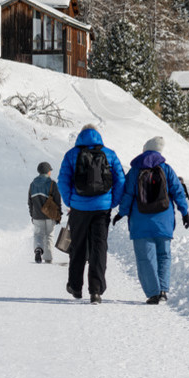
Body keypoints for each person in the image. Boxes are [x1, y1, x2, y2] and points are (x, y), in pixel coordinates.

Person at [113, 136, 189, 305]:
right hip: (164, 220)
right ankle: (163, 290)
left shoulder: (135, 171)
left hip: (140, 222)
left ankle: (153, 293)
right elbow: (178, 191)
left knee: (145, 258)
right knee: (164, 256)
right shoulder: (167, 169)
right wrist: (185, 212)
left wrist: (121, 213)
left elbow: (127, 195)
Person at [58, 124, 126, 304]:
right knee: (99, 247)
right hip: (101, 209)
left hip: (79, 209)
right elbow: (120, 180)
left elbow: (62, 181)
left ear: (80, 136)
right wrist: (112, 202)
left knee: (78, 247)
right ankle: (96, 290)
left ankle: (75, 287)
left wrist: (70, 201)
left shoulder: (71, 154)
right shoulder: (109, 154)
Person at [28, 161, 62, 264]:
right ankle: (48, 258)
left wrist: (32, 214)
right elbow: (57, 200)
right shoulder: (52, 184)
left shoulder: (32, 185)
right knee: (49, 235)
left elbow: (30, 202)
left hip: (37, 215)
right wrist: (58, 215)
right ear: (47, 172)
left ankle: (38, 249)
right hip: (50, 216)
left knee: (38, 234)